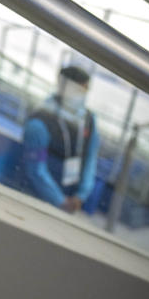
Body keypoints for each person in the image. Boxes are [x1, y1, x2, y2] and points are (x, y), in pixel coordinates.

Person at [20, 65, 100, 213]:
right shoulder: (40, 121)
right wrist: (59, 200)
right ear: (64, 86)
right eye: (79, 89)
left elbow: (90, 158)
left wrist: (81, 195)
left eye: (85, 90)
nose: (83, 94)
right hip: (38, 198)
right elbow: (35, 169)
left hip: (70, 198)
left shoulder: (89, 119)